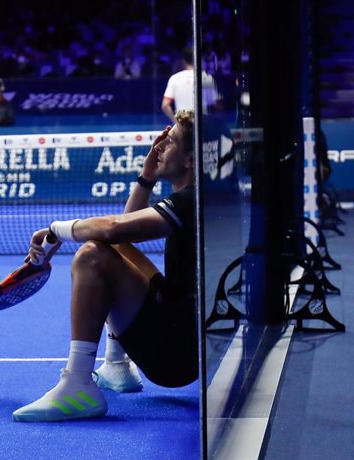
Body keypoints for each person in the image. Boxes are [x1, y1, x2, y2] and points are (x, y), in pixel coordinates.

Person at [12, 110, 198, 422]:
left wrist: (56, 229)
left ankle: (78, 384)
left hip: (177, 353)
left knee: (91, 256)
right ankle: (116, 366)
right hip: (186, 331)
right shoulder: (203, 194)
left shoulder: (192, 200)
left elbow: (112, 227)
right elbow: (122, 231)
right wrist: (147, 176)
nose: (161, 146)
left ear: (191, 159)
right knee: (111, 247)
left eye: (171, 141)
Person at [161, 48, 219, 123]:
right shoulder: (206, 78)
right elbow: (214, 105)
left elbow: (165, 105)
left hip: (182, 126)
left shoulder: (174, 78)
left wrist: (176, 122)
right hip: (202, 125)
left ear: (184, 61)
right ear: (199, 59)